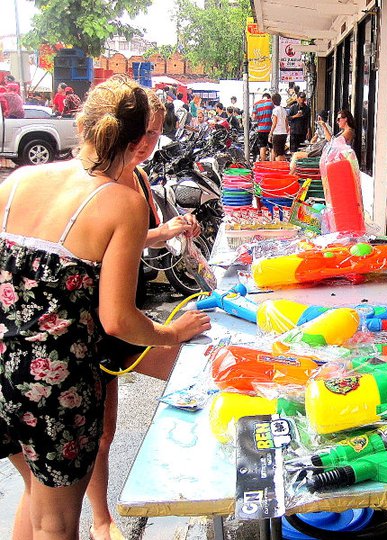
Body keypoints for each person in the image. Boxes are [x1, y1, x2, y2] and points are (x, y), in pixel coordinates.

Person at [0, 74, 210, 540]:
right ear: (137, 140)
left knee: (35, 493)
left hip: (1, 371)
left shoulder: (18, 179)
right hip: (53, 382)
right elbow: (118, 319)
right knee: (54, 521)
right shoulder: (120, 202)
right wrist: (172, 333)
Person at [84, 89, 201, 540]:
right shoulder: (97, 184)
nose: (149, 141)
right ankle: (101, 520)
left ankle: (107, 516)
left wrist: (165, 231)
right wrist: (171, 332)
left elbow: (130, 242)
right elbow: (115, 315)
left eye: (155, 132)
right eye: (142, 132)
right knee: (98, 434)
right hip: (102, 321)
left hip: (122, 313)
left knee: (106, 430)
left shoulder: (141, 180)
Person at [289, 109, 355, 172]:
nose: (337, 122)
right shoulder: (344, 131)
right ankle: (292, 176)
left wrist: (324, 127)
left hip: (328, 156)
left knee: (296, 156)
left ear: (345, 119)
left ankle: (291, 177)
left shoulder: (349, 131)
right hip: (327, 154)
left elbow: (333, 143)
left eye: (338, 119)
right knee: (296, 155)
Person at [252, 92, 273, 162]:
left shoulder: (256, 104)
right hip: (270, 129)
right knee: (272, 147)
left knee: (262, 146)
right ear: (269, 97)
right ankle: (271, 163)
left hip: (260, 129)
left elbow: (254, 117)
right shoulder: (271, 103)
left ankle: (263, 163)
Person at [269, 93, 289, 161]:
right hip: (284, 133)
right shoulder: (284, 110)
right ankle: (283, 167)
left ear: (272, 101)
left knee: (277, 153)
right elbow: (286, 122)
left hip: (277, 133)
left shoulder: (275, 110)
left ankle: (279, 168)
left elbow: (274, 123)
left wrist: (270, 133)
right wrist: (286, 131)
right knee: (282, 152)